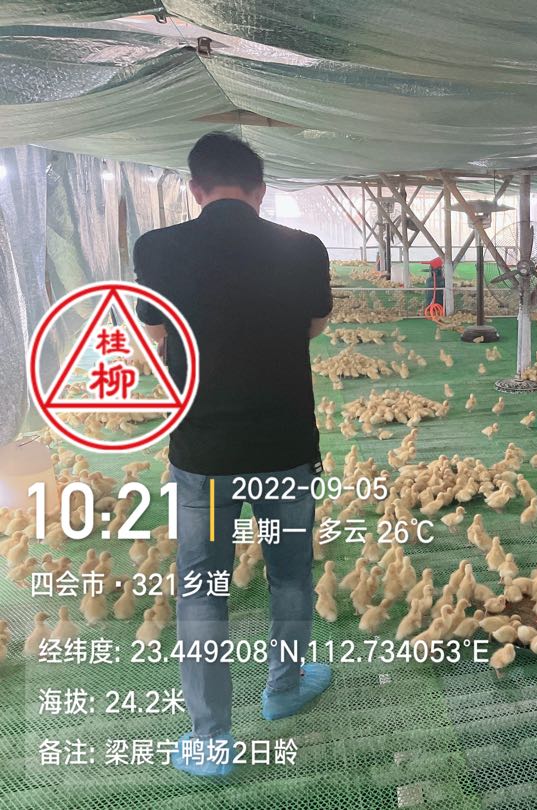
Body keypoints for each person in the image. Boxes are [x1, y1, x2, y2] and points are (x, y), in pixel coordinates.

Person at [134, 132, 333, 778]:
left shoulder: (157, 248)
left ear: (195, 188)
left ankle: (211, 738)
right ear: (260, 191)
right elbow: (311, 327)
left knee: (202, 589)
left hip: (203, 451)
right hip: (283, 444)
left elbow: (157, 332)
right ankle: (284, 688)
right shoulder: (305, 249)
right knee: (290, 575)